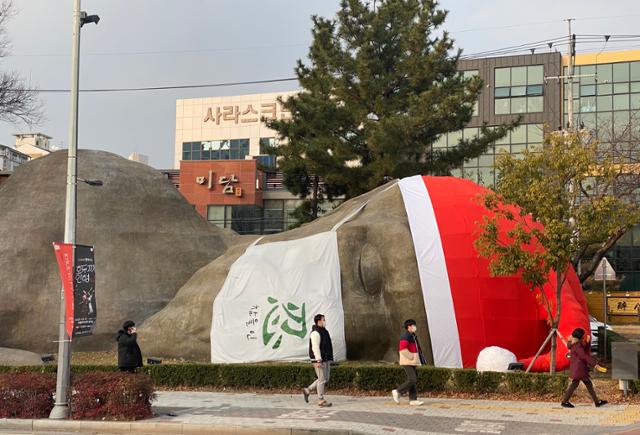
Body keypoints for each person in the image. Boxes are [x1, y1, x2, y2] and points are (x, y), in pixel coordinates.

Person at [561, 327, 608, 408]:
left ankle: (597, 401)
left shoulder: (575, 344)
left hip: (578, 368)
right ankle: (564, 401)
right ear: (580, 337)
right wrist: (595, 364)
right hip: (579, 369)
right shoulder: (577, 346)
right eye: (583, 335)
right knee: (576, 385)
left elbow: (584, 350)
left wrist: (588, 342)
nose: (584, 336)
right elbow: (584, 356)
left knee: (587, 384)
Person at [303, 314, 333, 407]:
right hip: (319, 359)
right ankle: (320, 399)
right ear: (319, 321)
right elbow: (315, 347)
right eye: (323, 320)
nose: (325, 321)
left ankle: (307, 390)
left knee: (325, 378)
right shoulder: (315, 333)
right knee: (322, 379)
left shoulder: (324, 331)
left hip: (326, 358)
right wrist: (318, 360)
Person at [392, 319, 424, 406]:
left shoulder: (412, 335)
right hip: (407, 361)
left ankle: (413, 399)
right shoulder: (406, 336)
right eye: (413, 325)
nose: (415, 327)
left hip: (411, 361)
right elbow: (402, 349)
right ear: (409, 327)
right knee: (412, 379)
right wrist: (412, 357)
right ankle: (398, 391)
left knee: (413, 380)